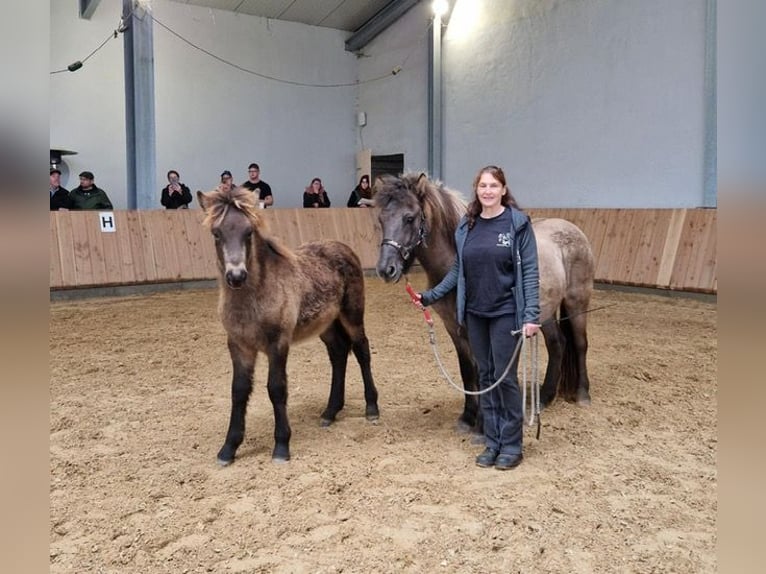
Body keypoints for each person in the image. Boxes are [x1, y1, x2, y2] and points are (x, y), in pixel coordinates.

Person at [413, 165, 540, 470]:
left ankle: (511, 444)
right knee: (484, 376)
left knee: (504, 378)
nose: (487, 191)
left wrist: (531, 314)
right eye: (483, 186)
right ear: (477, 190)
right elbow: (458, 271)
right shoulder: (467, 225)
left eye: (493, 186)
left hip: (506, 312)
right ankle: (492, 441)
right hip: (475, 314)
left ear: (503, 190)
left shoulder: (517, 224)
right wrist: (429, 296)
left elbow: (530, 271)